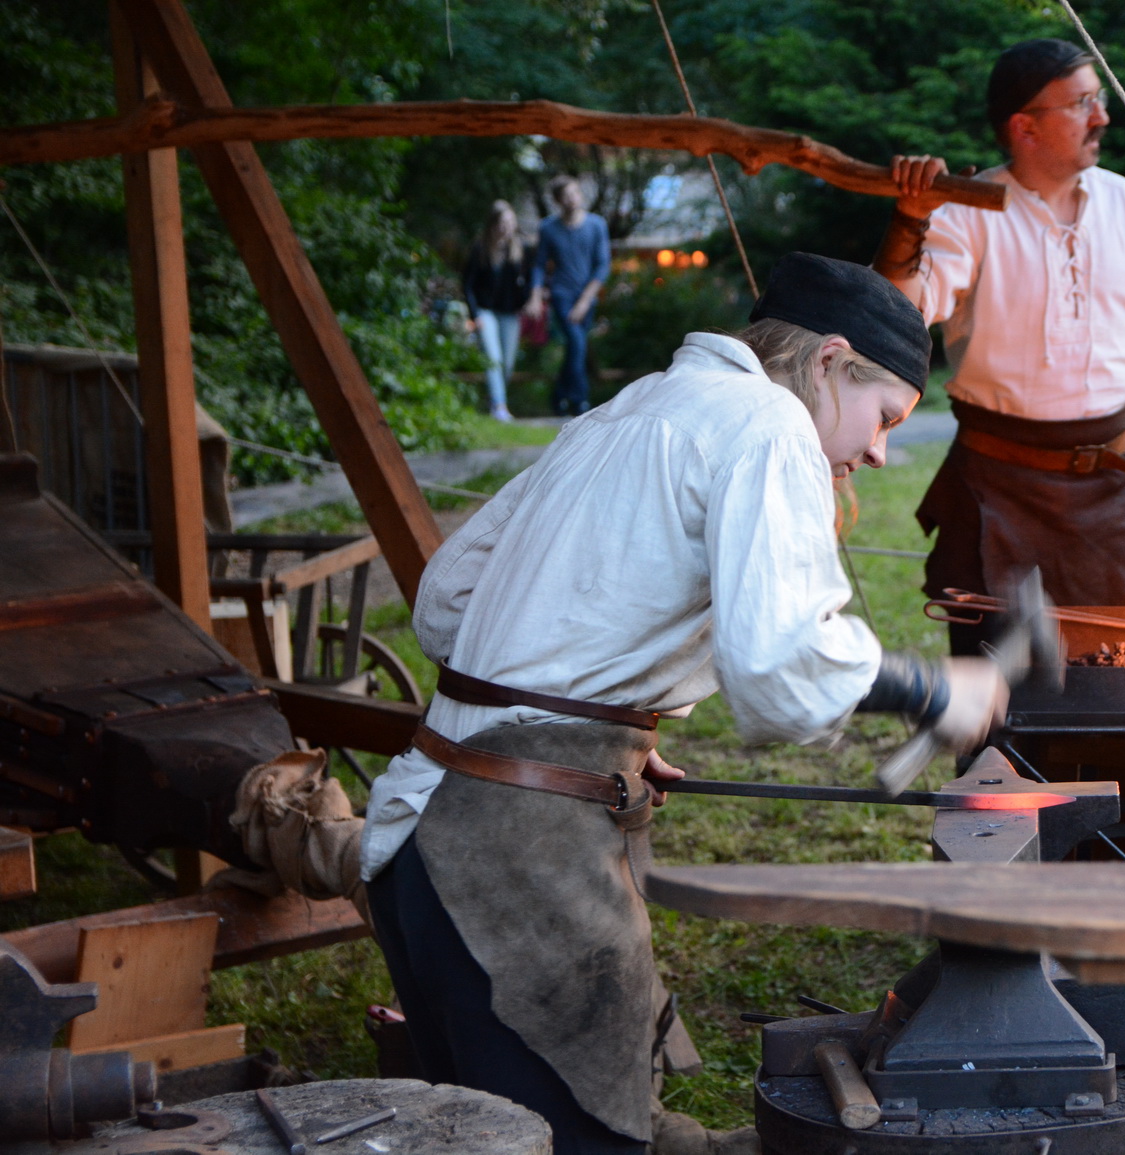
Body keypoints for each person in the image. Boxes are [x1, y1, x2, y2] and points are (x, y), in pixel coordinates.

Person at [359, 253, 1010, 1155]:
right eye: (885, 416)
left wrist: (601, 724)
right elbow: (783, 664)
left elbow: (447, 600)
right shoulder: (769, 423)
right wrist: (932, 687)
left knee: (477, 1136)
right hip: (511, 867)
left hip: (419, 841)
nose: (877, 451)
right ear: (829, 362)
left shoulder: (623, 409)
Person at [877, 38, 1125, 652]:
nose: (1101, 116)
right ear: (1024, 127)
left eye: (1099, 99)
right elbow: (900, 308)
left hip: (1118, 493)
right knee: (1001, 696)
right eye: (1082, 103)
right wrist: (910, 219)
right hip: (1000, 494)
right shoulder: (966, 212)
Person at [530, 175, 611, 415]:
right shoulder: (548, 228)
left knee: (577, 347)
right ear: (558, 201)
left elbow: (602, 265)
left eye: (575, 193)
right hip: (562, 294)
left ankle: (558, 397)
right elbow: (539, 265)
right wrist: (535, 295)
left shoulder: (596, 225)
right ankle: (580, 401)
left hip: (587, 296)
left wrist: (585, 301)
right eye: (566, 196)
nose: (572, 199)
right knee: (577, 342)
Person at [463, 200, 534, 422]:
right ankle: (500, 406)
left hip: (510, 313)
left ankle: (493, 398)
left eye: (510, 222)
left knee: (507, 363)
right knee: (493, 357)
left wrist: (527, 301)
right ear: (493, 224)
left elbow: (530, 280)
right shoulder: (480, 249)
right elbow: (468, 284)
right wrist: (475, 315)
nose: (506, 227)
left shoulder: (521, 249)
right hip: (485, 311)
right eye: (502, 222)